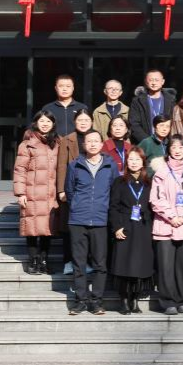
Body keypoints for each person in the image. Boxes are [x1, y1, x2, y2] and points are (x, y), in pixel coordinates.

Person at [63, 129, 117, 315]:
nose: (93, 144)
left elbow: (114, 191)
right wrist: (78, 207)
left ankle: (96, 301)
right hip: (78, 220)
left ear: (102, 144)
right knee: (79, 263)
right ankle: (80, 300)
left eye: (96, 141)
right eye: (89, 141)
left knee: (100, 264)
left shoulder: (110, 166)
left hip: (101, 220)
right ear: (84, 145)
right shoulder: (74, 165)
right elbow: (69, 191)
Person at [150, 135, 183, 315]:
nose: (177, 150)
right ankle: (167, 301)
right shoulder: (161, 172)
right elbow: (156, 199)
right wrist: (172, 216)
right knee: (165, 265)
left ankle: (182, 299)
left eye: (181, 147)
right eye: (174, 147)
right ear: (168, 150)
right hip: (166, 224)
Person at [13, 110, 59, 276]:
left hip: (51, 193)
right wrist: (20, 193)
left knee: (47, 229)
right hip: (32, 193)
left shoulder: (57, 143)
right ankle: (33, 261)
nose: (45, 124)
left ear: (53, 124)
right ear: (36, 123)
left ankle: (44, 261)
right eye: (42, 121)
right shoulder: (27, 144)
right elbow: (20, 170)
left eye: (48, 121)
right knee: (31, 229)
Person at [108, 147, 154, 315]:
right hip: (125, 225)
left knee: (140, 264)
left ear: (143, 162)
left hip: (143, 226)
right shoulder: (119, 182)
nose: (134, 163)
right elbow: (113, 206)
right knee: (124, 263)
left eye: (137, 159)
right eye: (131, 159)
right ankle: (124, 300)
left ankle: (135, 299)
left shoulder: (149, 183)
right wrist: (116, 227)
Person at [55, 108, 93, 274]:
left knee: (90, 228)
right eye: (80, 120)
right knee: (69, 227)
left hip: (91, 190)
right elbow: (61, 166)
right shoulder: (67, 140)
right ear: (74, 122)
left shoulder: (96, 138)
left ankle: (88, 261)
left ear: (91, 122)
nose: (83, 123)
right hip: (72, 189)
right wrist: (61, 190)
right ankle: (68, 261)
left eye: (86, 120)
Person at [128, 69, 176, 144]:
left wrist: (169, 141)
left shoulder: (171, 101)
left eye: (157, 80)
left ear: (163, 81)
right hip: (145, 143)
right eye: (151, 80)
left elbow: (174, 123)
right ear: (146, 82)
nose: (154, 83)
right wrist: (148, 142)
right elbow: (134, 124)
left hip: (166, 143)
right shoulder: (137, 101)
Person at [39, 74, 88, 138]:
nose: (64, 89)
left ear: (73, 88)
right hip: (54, 142)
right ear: (56, 88)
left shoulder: (82, 107)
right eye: (61, 86)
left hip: (77, 143)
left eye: (68, 86)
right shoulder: (48, 108)